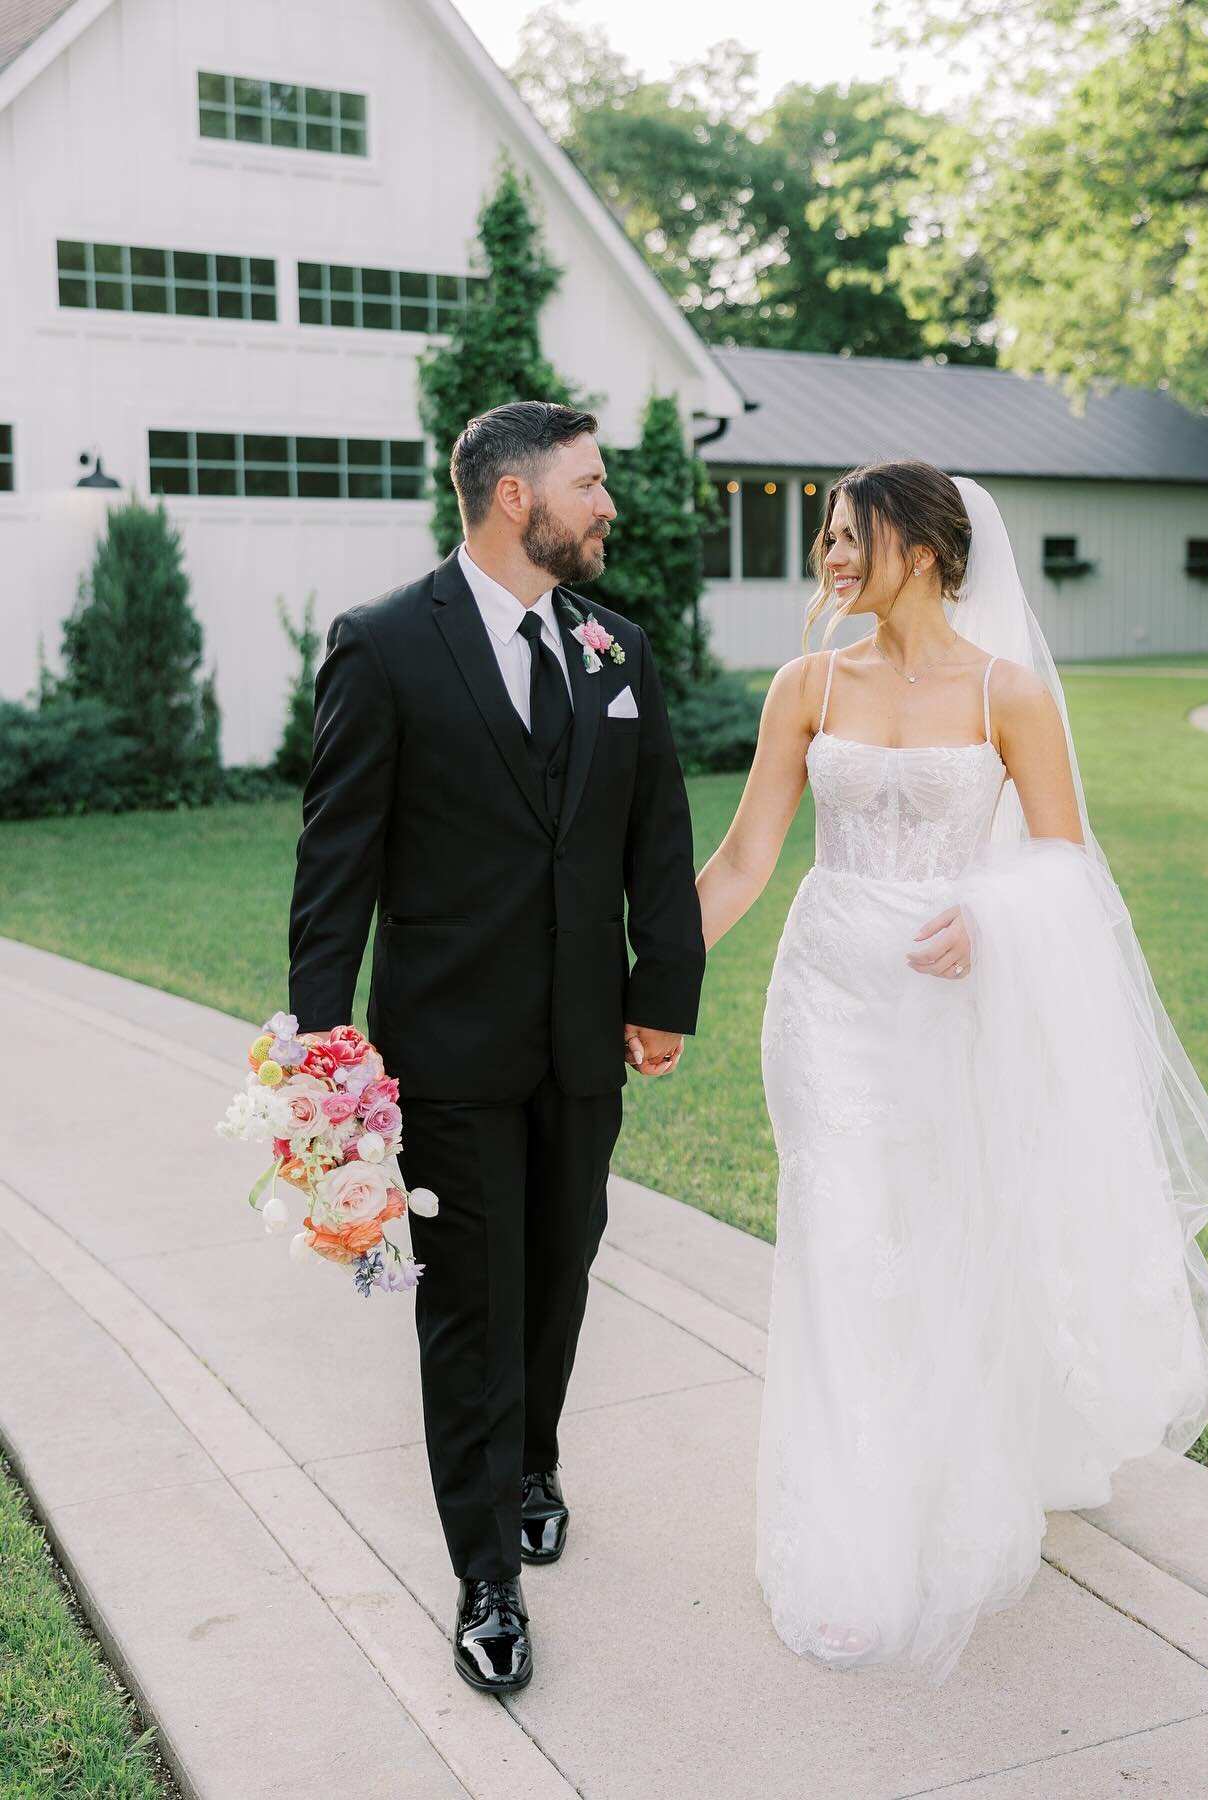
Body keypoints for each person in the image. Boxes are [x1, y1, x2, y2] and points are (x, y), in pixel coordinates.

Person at [697, 461, 1208, 1681]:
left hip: (954, 1006)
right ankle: (847, 1544)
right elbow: (740, 860)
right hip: (827, 1001)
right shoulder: (807, 683)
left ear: (926, 550)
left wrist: (990, 914)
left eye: (848, 536)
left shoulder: (1008, 692)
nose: (828, 556)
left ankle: (956, 1487)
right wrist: (643, 978)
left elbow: (1067, 866)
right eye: (824, 537)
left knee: (943, 1246)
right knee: (839, 1247)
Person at [288, 400, 703, 1695]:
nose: (608, 507)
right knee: (469, 1311)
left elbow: (656, 834)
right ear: (517, 500)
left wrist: (666, 989)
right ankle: (486, 1576)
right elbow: (333, 868)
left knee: (560, 1274)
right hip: (448, 1055)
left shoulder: (616, 649)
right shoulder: (384, 647)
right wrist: (321, 1059)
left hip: (584, 1044)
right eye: (589, 485)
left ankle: (533, 1460)